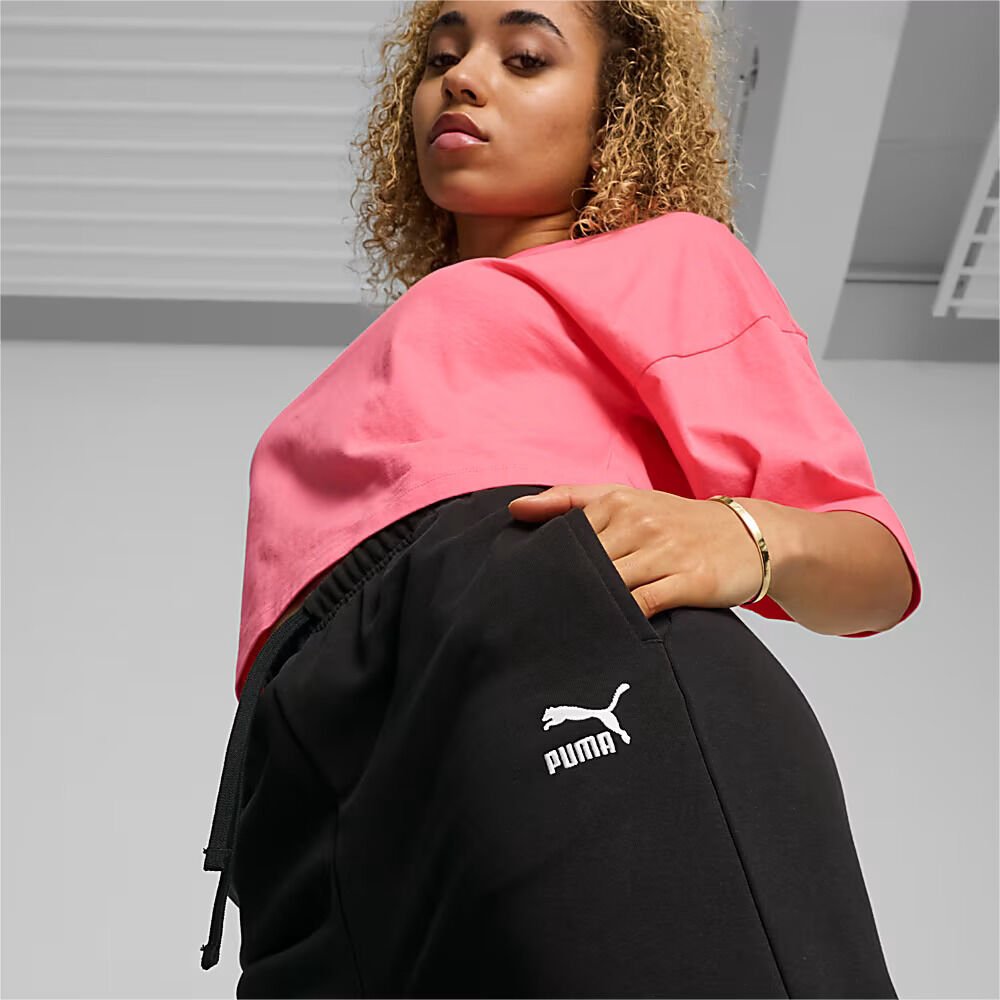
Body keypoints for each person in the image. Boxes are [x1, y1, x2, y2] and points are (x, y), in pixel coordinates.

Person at [200, 2, 922, 996]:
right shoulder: (376, 360)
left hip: (558, 669)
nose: (461, 78)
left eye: (526, 57)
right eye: (442, 55)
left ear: (617, 111)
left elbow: (874, 566)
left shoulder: (670, 257)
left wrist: (743, 537)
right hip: (316, 773)